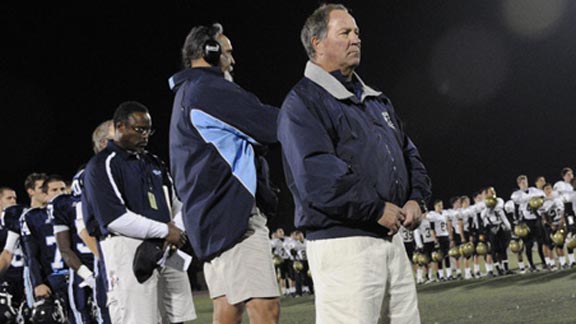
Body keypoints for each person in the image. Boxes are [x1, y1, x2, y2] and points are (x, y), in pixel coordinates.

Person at [277, 4, 431, 323]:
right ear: (317, 42)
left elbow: (409, 154)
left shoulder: (377, 100)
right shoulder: (302, 102)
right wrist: (375, 208)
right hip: (343, 243)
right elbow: (316, 174)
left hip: (390, 239)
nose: (355, 39)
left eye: (357, 32)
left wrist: (417, 197)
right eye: (344, 32)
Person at [169, 23, 280, 324]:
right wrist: (311, 116)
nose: (233, 61)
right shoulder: (210, 89)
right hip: (235, 218)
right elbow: (271, 125)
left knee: (227, 310)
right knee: (265, 310)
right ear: (210, 52)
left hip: (211, 218)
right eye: (228, 53)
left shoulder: (186, 94)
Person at [82, 101, 196, 324]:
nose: (145, 135)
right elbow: (114, 218)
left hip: (167, 247)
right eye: (139, 129)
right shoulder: (102, 164)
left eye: (148, 130)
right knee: (138, 318)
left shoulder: (154, 162)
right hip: (127, 248)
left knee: (176, 318)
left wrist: (176, 231)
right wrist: (165, 230)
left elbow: (179, 205)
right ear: (120, 127)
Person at [51, 120, 114, 324]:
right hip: (106, 262)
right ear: (104, 143)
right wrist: (109, 262)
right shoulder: (87, 177)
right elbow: (83, 230)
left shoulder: (143, 166)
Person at [20, 174, 73, 320]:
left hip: (77, 276)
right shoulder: (33, 217)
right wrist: (38, 283)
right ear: (45, 195)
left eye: (62, 189)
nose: (60, 193)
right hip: (54, 278)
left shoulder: (75, 211)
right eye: (54, 190)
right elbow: (32, 256)